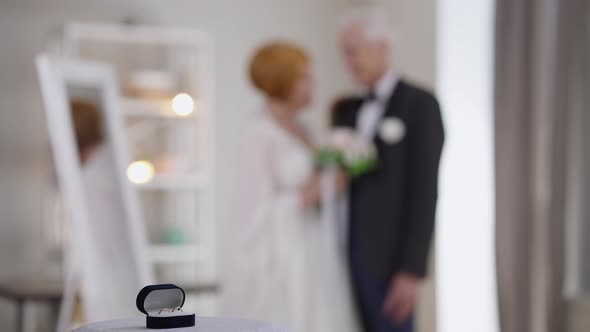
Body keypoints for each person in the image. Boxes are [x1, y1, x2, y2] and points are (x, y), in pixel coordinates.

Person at [222, 42, 359, 332]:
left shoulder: (304, 129)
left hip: (314, 246)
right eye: (305, 77)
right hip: (284, 257)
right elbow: (251, 213)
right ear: (284, 82)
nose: (313, 84)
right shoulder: (258, 135)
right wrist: (314, 192)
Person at [332, 10, 445, 332]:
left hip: (391, 262)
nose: (349, 61)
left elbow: (425, 192)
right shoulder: (346, 110)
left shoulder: (420, 105)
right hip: (343, 257)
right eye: (344, 53)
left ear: (382, 46)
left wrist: (411, 270)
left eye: (354, 50)